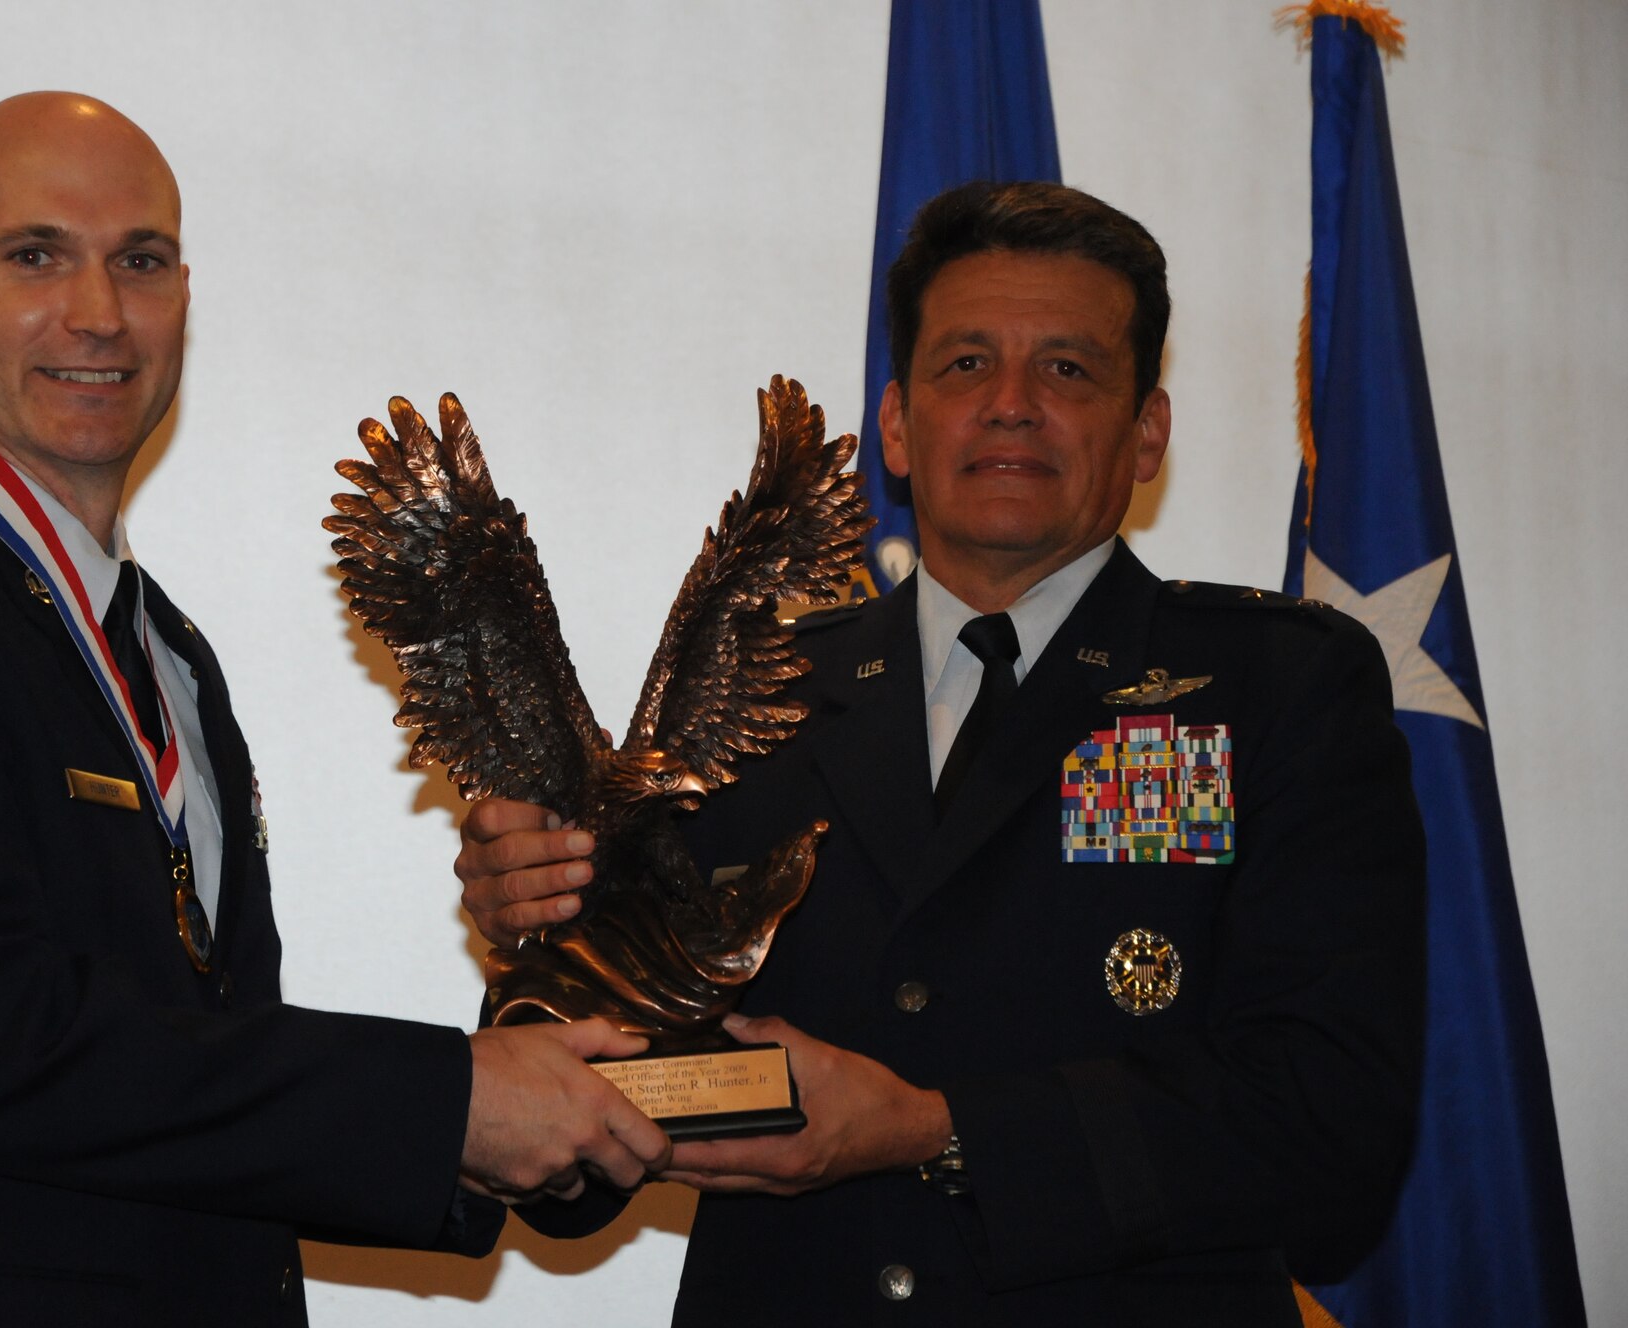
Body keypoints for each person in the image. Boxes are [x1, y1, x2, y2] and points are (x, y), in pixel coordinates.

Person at [0, 91, 669, 1326]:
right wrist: (448, 1101)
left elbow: (209, 1077)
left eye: (142, 261)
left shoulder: (171, 654)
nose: (100, 312)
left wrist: (529, 1048)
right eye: (34, 253)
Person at [455, 181, 1426, 1325]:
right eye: (965, 364)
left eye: (1066, 368)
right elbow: (572, 1165)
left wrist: (937, 1128)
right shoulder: (750, 701)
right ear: (900, 424)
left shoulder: (1277, 686)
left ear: (1147, 430)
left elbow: (1330, 1131)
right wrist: (545, 952)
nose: (1010, 405)